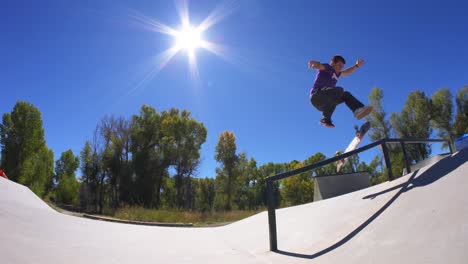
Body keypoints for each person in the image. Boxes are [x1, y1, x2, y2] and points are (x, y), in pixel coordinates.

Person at [308, 55, 373, 128]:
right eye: (339, 65)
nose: (340, 68)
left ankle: (358, 110)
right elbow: (320, 66)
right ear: (332, 63)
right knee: (339, 90)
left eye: (342, 66)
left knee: (345, 95)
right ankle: (325, 118)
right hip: (317, 96)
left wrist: (357, 66)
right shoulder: (328, 67)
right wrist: (316, 63)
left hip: (325, 104)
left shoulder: (337, 74)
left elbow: (346, 72)